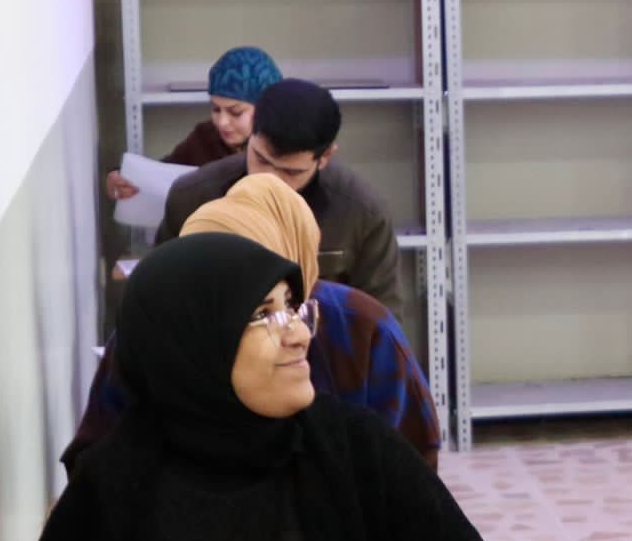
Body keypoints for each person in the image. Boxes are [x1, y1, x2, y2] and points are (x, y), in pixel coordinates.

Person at [0, 233, 507, 541]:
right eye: (263, 315)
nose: (300, 334)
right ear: (194, 342)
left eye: (293, 307)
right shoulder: (111, 491)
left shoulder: (355, 448)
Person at [64, 174, 440, 473]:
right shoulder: (156, 334)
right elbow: (94, 467)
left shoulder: (358, 328)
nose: (294, 333)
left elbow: (411, 466)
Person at [157, 78, 404, 314]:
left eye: (291, 172)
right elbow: (159, 300)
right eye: (261, 159)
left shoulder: (363, 214)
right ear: (251, 135)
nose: (270, 179)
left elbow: (382, 322)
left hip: (317, 341)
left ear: (325, 156)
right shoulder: (192, 197)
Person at [106, 46, 282, 199]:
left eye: (235, 112)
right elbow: (161, 174)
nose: (222, 122)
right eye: (216, 109)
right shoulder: (204, 138)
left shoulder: (284, 148)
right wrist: (122, 178)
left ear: (266, 108)